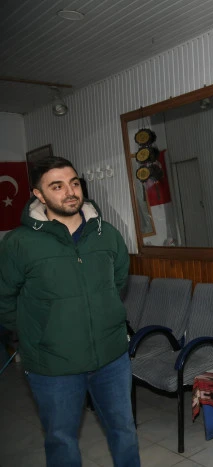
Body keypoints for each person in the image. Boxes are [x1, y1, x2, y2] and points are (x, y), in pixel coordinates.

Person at [0, 156, 139, 467]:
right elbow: (4, 298)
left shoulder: (106, 234)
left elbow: (117, 281)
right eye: (57, 186)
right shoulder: (18, 243)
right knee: (61, 440)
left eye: (74, 183)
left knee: (125, 431)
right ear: (38, 194)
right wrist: (36, 333)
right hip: (53, 364)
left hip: (111, 358)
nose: (70, 192)